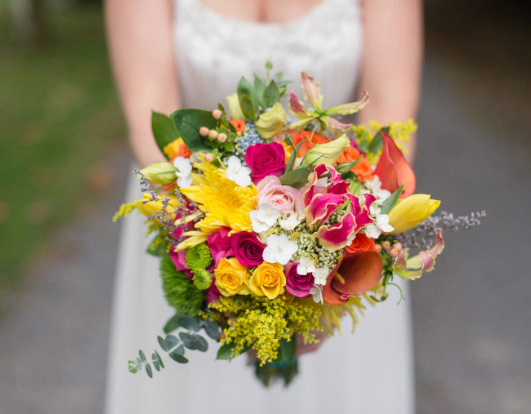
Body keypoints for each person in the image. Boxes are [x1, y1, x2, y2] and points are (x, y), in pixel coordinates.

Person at [104, 0, 423, 413]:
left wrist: (319, 287)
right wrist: (219, 274)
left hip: (342, 251)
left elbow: (390, 120)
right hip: (190, 226)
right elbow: (152, 120)